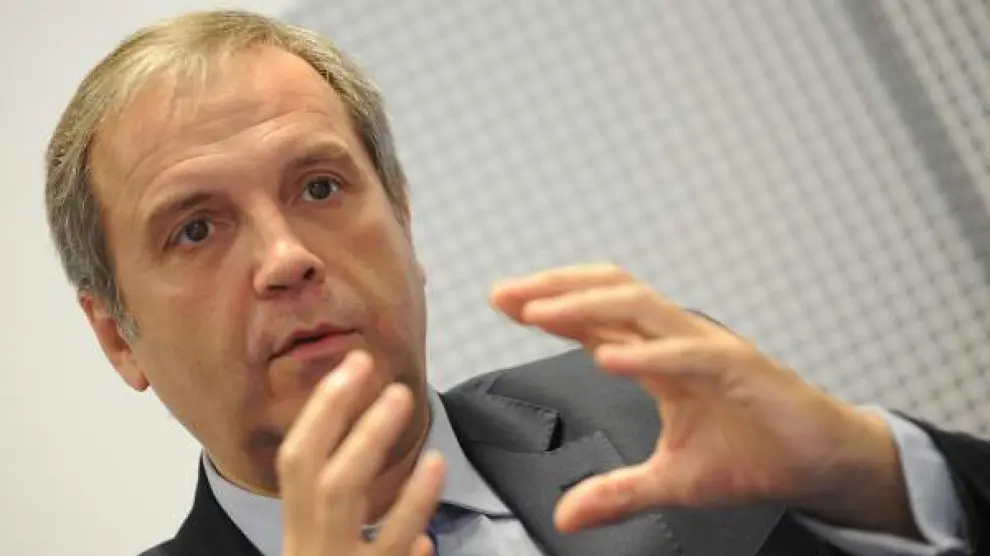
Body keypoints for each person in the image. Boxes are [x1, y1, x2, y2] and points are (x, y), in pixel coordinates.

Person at [43, 9, 987, 556]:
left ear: (402, 217)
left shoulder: (652, 412)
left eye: (320, 186)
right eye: (195, 228)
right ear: (118, 337)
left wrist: (864, 470)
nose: (286, 256)